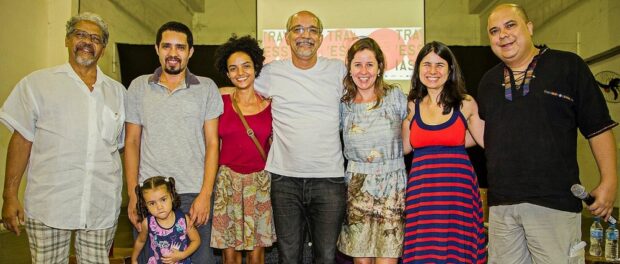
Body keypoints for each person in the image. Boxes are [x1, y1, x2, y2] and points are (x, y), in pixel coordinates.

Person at [479, 4, 618, 263]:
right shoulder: (488, 82)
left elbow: (598, 128)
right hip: (502, 208)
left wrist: (609, 182)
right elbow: (485, 136)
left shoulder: (568, 66)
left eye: (511, 25)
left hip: (554, 203)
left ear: (529, 28)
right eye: (494, 31)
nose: (503, 35)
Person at [221, 10, 347, 263]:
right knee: (288, 256)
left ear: (321, 38)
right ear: (287, 37)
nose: (305, 36)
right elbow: (239, 86)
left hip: (329, 180)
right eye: (298, 30)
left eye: (312, 30)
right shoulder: (270, 73)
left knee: (326, 255)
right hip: (284, 181)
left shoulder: (339, 71)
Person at [0, 12, 125, 263]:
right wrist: (9, 196)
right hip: (50, 204)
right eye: (80, 34)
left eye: (95, 38)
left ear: (103, 48)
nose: (87, 42)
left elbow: (122, 148)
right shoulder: (37, 85)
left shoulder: (118, 93)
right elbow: (22, 140)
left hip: (100, 205)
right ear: (67, 40)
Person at [124, 21, 223, 263]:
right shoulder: (138, 87)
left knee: (201, 260)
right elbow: (132, 143)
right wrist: (133, 195)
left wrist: (205, 195)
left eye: (180, 47)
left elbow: (213, 144)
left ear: (190, 52)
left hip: (193, 193)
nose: (173, 53)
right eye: (167, 46)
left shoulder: (207, 87)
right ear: (157, 48)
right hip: (151, 195)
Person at [402, 41, 486, 264]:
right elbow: (402, 147)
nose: (432, 71)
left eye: (439, 65)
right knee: (422, 255)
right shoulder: (411, 105)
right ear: (418, 68)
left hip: (458, 195)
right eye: (426, 64)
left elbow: (486, 141)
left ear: (450, 70)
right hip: (421, 195)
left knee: (457, 255)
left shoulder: (465, 103)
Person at [336, 37, 407, 264]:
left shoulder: (395, 97)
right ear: (349, 68)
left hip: (393, 186)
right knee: (361, 261)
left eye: (370, 64)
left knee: (387, 259)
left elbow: (419, 130)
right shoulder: (343, 104)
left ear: (379, 68)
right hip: (357, 187)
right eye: (357, 65)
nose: (363, 71)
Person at [211, 35, 276, 264]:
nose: (240, 72)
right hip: (227, 182)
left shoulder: (271, 106)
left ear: (256, 67)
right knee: (230, 254)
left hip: (259, 183)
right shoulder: (219, 100)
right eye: (233, 68)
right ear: (227, 73)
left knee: (256, 254)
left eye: (246, 66)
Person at [132, 176, 201, 264]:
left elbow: (196, 240)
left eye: (163, 199)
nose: (159, 207)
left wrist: (183, 255)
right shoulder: (147, 223)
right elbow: (140, 241)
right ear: (145, 205)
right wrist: (134, 259)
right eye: (152, 203)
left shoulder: (183, 219)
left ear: (171, 196)